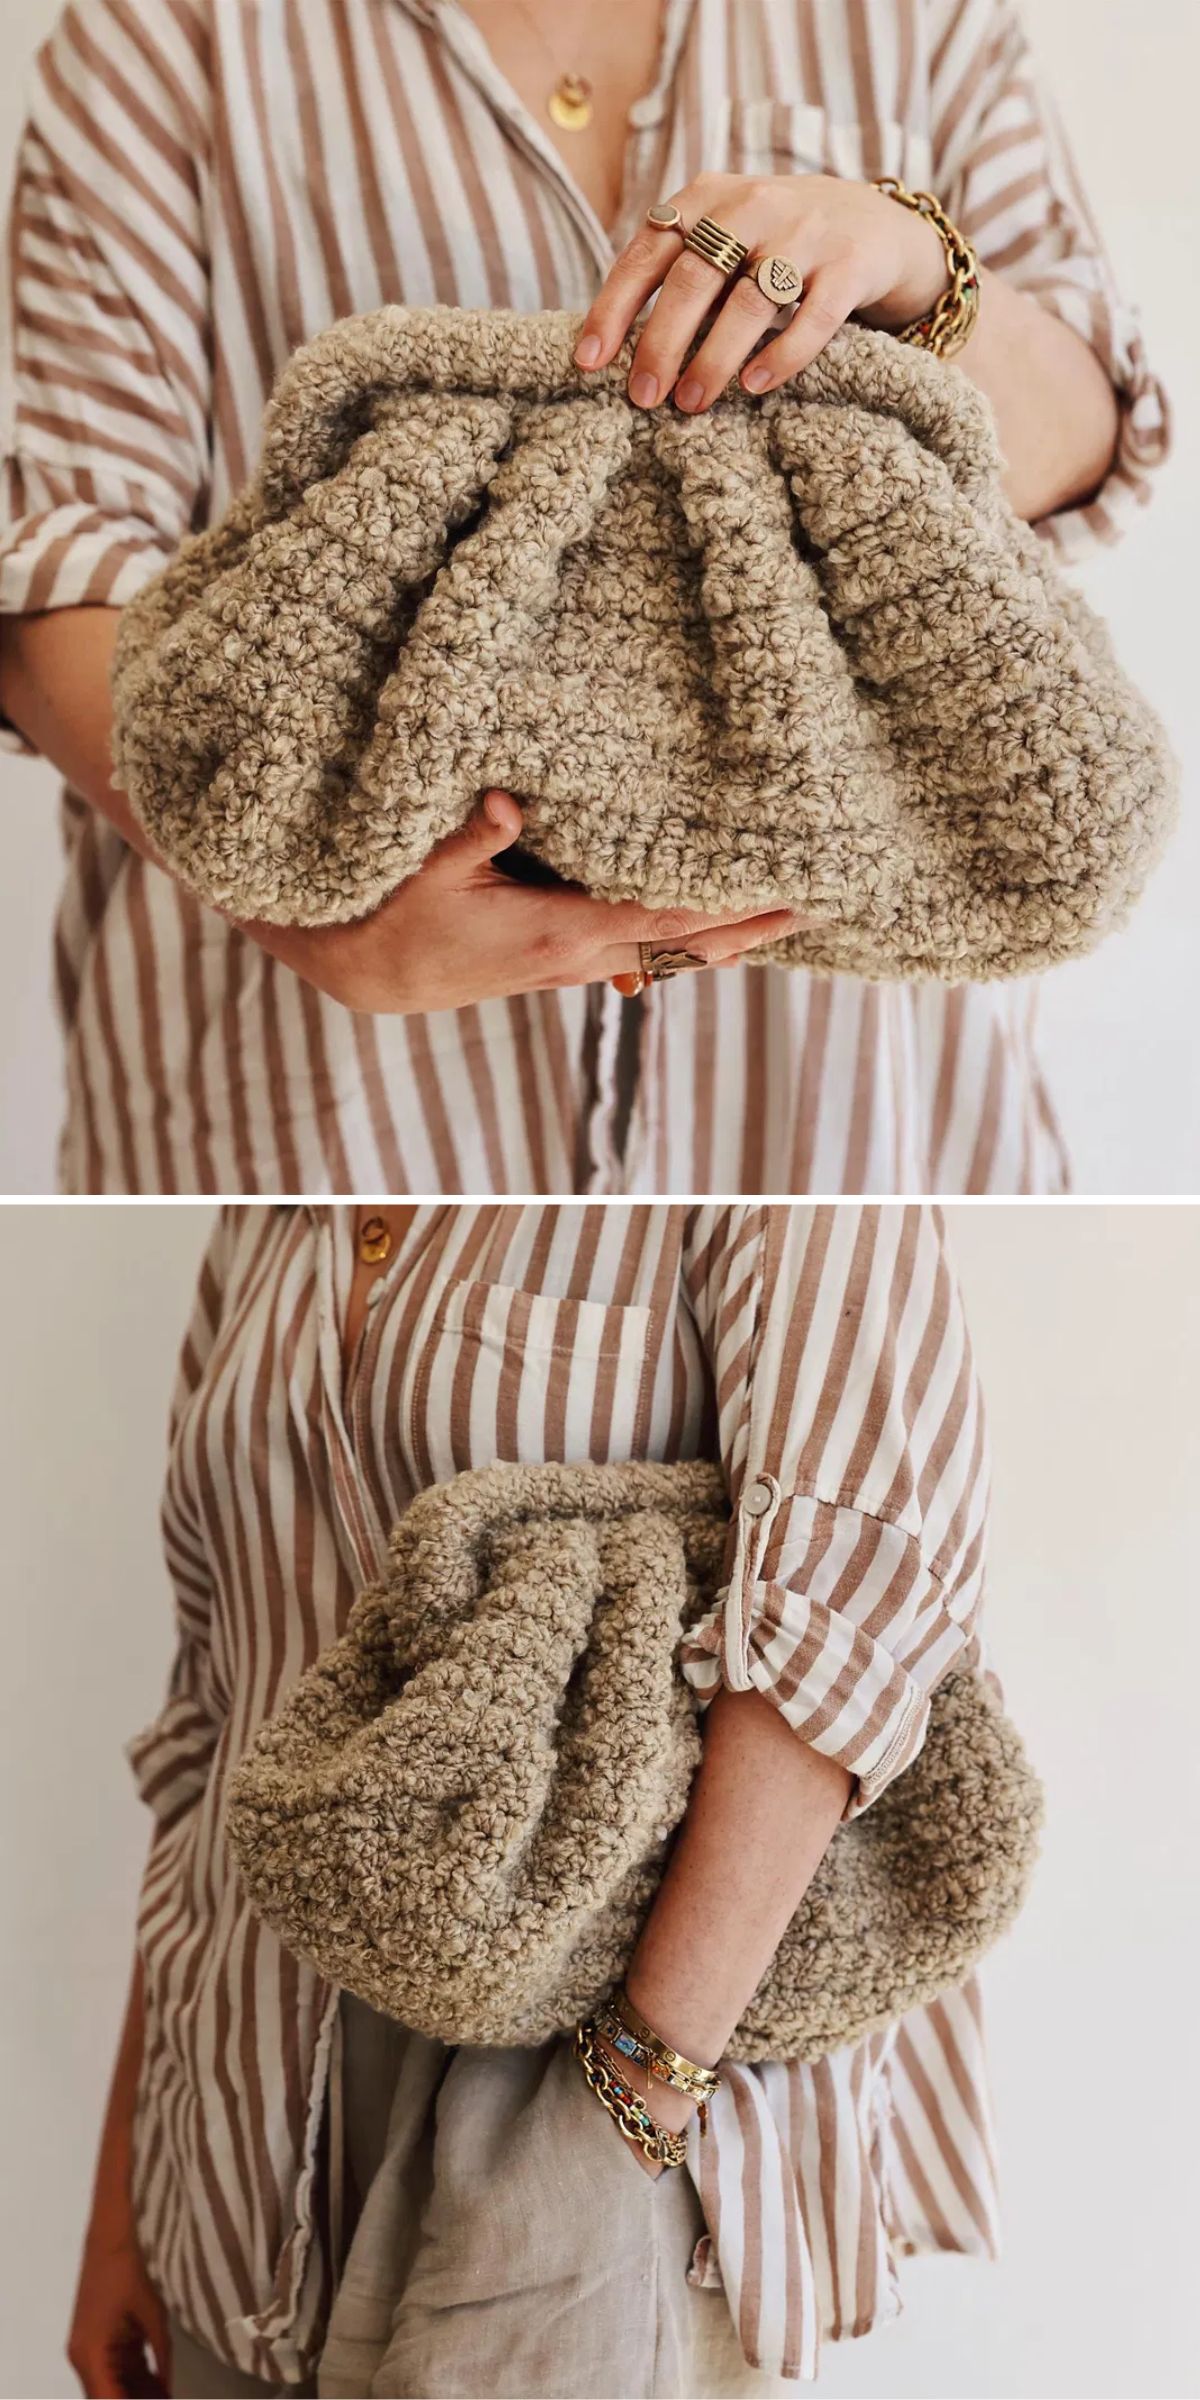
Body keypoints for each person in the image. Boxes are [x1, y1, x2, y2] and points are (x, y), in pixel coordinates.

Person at [0, 0, 1169, 1197]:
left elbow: (1092, 457)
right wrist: (295, 910)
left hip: (851, 1118)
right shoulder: (172, 31)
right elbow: (52, 556)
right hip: (334, 1098)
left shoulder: (918, 20)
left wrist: (921, 268)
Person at [68, 1201, 997, 2399]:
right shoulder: (264, 1220)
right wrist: (122, 2205)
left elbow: (846, 1630)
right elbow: (211, 1712)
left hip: (591, 2097)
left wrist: (615, 2118)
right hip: (226, 2168)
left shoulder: (763, 1188)